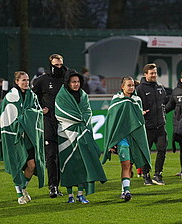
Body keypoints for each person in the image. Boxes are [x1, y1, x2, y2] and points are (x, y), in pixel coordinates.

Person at [55, 70, 107, 203]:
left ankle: (80, 194)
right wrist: (80, 120)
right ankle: (70, 195)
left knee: (83, 163)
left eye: (78, 82)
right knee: (68, 164)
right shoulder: (61, 95)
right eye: (73, 82)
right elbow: (61, 113)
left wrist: (82, 122)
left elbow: (87, 112)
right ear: (68, 82)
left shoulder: (83, 95)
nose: (76, 84)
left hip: (82, 132)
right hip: (66, 134)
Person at [0, 71, 46, 204]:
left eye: (27, 80)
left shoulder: (32, 96)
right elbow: (6, 119)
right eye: (23, 80)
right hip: (14, 137)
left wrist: (39, 112)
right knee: (17, 165)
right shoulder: (10, 97)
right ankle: (19, 194)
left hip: (28, 137)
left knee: (32, 165)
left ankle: (23, 188)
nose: (26, 83)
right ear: (17, 82)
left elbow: (35, 112)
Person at [103, 76, 152, 201]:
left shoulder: (137, 100)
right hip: (122, 138)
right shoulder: (116, 100)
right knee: (125, 165)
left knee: (130, 165)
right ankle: (126, 191)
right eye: (128, 85)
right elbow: (112, 121)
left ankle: (124, 189)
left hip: (134, 138)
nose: (131, 87)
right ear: (122, 86)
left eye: (132, 85)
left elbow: (139, 121)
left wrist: (140, 115)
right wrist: (112, 141)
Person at [32, 53, 68, 198]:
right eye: (56, 65)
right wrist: (40, 107)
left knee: (64, 156)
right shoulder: (42, 80)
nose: (58, 67)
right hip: (49, 122)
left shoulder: (68, 79)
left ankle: (70, 185)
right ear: (50, 65)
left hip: (65, 122)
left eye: (60, 64)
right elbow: (32, 97)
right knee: (51, 155)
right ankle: (53, 186)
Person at [136, 63, 168, 185]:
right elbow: (135, 106)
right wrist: (141, 113)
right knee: (146, 152)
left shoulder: (160, 87)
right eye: (152, 73)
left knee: (162, 149)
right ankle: (146, 175)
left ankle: (158, 174)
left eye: (155, 72)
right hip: (147, 127)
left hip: (160, 126)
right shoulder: (140, 89)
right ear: (145, 74)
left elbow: (164, 102)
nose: (154, 75)